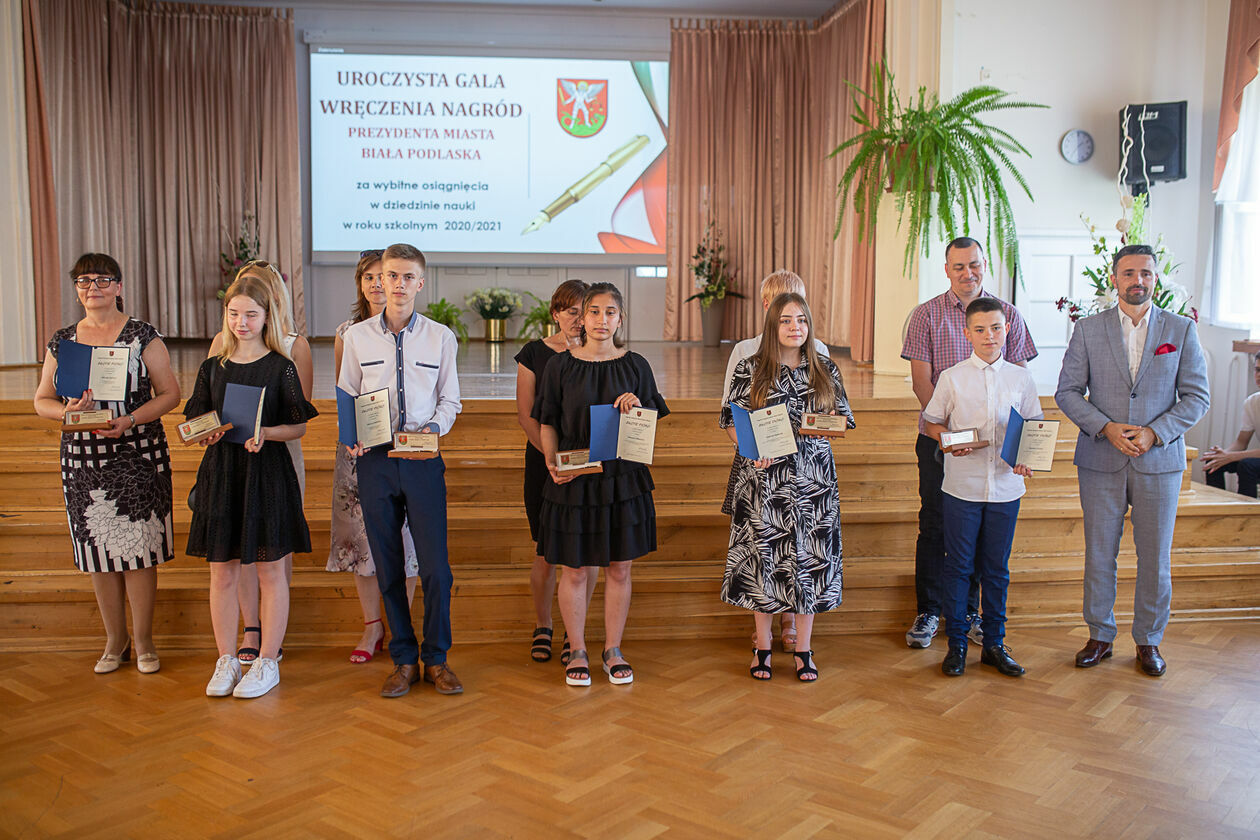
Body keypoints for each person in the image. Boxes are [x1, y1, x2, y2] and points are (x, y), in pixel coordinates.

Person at [1056, 244, 1209, 677]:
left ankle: (1148, 640)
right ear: (1115, 279)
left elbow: (1197, 397)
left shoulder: (1181, 330)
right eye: (1128, 273)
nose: (1137, 280)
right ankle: (1100, 635)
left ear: (1155, 278)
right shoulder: (1088, 329)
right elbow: (1067, 391)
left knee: (1155, 557)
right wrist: (1104, 427)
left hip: (1159, 462)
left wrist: (1155, 432)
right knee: (1099, 553)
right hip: (1100, 458)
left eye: (1145, 273)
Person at [33, 253, 181, 675]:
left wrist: (130, 419)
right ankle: (116, 640)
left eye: (102, 279)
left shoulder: (142, 335)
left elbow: (170, 393)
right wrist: (66, 413)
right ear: (76, 289)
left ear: (118, 286)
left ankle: (145, 640)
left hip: (138, 454)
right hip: (83, 457)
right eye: (84, 281)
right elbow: (42, 400)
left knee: (140, 550)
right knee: (96, 550)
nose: (92, 287)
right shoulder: (63, 341)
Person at [340, 243, 464, 698]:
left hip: (423, 461)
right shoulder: (357, 337)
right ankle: (404, 660)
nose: (397, 284)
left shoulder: (440, 337)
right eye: (390, 275)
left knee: (436, 569)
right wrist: (351, 435)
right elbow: (348, 393)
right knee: (388, 566)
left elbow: (451, 400)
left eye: (407, 276)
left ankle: (437, 659)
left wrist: (432, 428)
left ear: (420, 283)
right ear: (380, 280)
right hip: (375, 461)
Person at [900, 237, 1037, 650]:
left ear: (984, 265)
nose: (967, 273)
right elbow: (922, 382)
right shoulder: (925, 315)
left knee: (981, 532)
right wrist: (951, 435)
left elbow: (1020, 385)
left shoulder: (1007, 314)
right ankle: (929, 610)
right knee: (935, 524)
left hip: (995, 454)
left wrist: (1020, 450)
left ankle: (971, 614)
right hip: (939, 438)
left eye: (974, 264)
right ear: (946, 269)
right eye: (958, 266)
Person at [186, 273, 318, 698]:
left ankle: (266, 661)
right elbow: (196, 418)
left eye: (250, 315)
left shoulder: (281, 366)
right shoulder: (213, 367)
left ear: (266, 317)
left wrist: (267, 433)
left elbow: (298, 426)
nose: (241, 323)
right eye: (233, 314)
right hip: (222, 472)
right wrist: (203, 432)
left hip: (267, 472)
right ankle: (226, 659)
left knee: (270, 569)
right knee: (222, 570)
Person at [534, 282, 669, 687]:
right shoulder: (560, 366)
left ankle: (613, 650)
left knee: (619, 568)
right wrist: (552, 461)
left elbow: (647, 431)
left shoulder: (636, 366)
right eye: (594, 311)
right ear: (582, 317)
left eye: (610, 312)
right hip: (575, 478)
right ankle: (577, 649)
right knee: (574, 570)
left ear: (620, 319)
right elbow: (547, 422)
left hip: (622, 479)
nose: (601, 319)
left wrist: (637, 409)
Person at [720, 293, 854, 682]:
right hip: (765, 480)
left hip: (814, 483)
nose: (795, 327)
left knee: (810, 563)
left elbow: (843, 419)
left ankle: (804, 649)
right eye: (786, 320)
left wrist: (829, 422)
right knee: (763, 561)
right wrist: (750, 451)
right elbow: (730, 420)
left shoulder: (825, 369)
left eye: (801, 320)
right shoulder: (750, 367)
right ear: (772, 325)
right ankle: (762, 646)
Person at [922, 298, 1041, 677]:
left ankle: (994, 644)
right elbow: (932, 423)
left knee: (996, 569)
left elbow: (1034, 426)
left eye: (996, 328)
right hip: (963, 488)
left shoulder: (1021, 378)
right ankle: (956, 644)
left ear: (1007, 330)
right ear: (967, 333)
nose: (989, 336)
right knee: (958, 566)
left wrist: (1027, 456)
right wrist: (948, 441)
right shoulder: (952, 377)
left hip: (1006, 488)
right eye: (980, 329)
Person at [326, 250, 420, 663]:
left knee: (406, 539)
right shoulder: (347, 332)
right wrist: (354, 436)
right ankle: (372, 627)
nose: (378, 284)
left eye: (385, 276)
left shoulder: (419, 330)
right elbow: (345, 390)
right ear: (361, 284)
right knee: (360, 539)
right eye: (369, 277)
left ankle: (403, 626)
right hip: (360, 450)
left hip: (404, 447)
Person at [514, 278, 598, 663]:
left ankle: (573, 631)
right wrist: (552, 459)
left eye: (586, 312)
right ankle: (543, 624)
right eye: (571, 311)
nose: (578, 319)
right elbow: (526, 415)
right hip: (545, 464)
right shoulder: (534, 353)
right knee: (547, 552)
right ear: (555, 314)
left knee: (587, 553)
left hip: (589, 465)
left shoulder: (600, 354)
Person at [1200, 352, 1260, 497]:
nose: (1259, 375)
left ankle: (1245, 510)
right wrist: (1223, 454)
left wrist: (1231, 456)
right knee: (1213, 461)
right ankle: (1217, 507)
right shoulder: (1252, 402)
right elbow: (1241, 442)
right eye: (1257, 370)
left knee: (1246, 466)